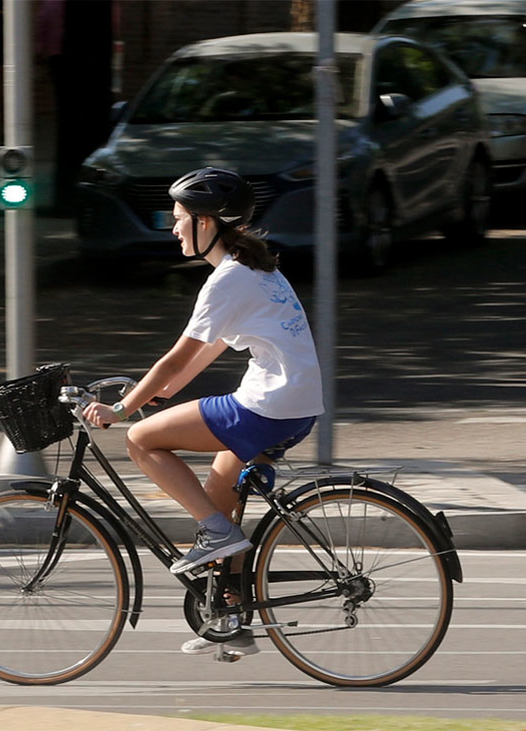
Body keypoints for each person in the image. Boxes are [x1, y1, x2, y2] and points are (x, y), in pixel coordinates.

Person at [81, 167, 324, 658]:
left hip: (266, 407)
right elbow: (200, 357)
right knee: (219, 502)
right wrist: (157, 395)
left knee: (141, 441)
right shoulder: (255, 269)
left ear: (207, 223)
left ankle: (218, 539)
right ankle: (231, 619)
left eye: (179, 218)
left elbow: (177, 356)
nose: (172, 228)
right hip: (297, 407)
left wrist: (124, 411)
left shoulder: (227, 280)